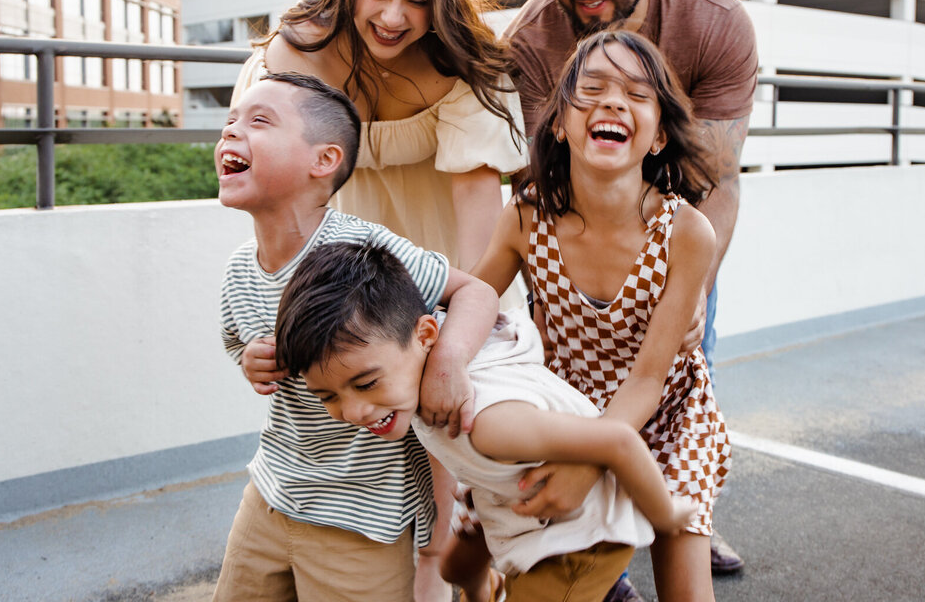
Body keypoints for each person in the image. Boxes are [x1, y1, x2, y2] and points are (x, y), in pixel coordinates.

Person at [231, 0, 528, 600]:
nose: (394, 17)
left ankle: (451, 571)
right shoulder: (296, 52)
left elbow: (477, 238)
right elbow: (277, 195)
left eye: (418, 2)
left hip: (440, 248)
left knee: (447, 443)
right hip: (345, 247)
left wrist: (453, 341)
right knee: (360, 416)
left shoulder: (462, 67)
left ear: (442, 4)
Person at [504, 0, 756, 579]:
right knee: (570, 388)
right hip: (580, 240)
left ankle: (686, 517)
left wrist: (692, 287)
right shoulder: (531, 44)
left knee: (679, 374)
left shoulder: (714, 20)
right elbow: (547, 182)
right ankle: (597, 557)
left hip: (679, 232)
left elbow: (721, 177)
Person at [275, 239, 701, 602]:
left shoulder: (490, 421)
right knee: (455, 568)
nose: (351, 412)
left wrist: (665, 517)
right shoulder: (425, 354)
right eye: (327, 396)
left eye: (365, 384)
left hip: (579, 535)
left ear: (425, 336)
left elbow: (618, 442)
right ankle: (488, 588)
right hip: (503, 492)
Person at [211, 71, 498, 602]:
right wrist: (250, 360)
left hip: (363, 521)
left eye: (258, 121)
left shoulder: (361, 248)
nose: (230, 133)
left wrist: (447, 362)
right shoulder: (237, 272)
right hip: (272, 494)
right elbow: (237, 342)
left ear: (323, 161)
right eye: (229, 123)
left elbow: (475, 292)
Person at [471, 31, 729, 602]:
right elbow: (472, 303)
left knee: (687, 584)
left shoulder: (686, 233)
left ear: (659, 135)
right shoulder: (526, 215)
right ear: (560, 122)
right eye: (592, 89)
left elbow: (647, 379)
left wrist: (590, 464)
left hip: (664, 419)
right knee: (498, 561)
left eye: (637, 94)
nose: (613, 102)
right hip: (566, 412)